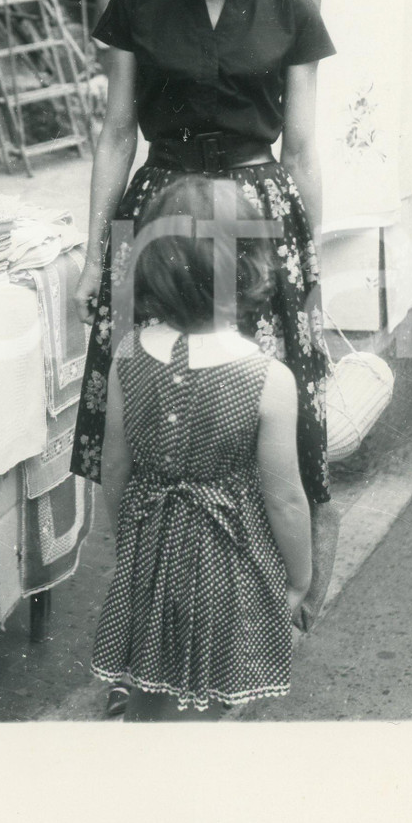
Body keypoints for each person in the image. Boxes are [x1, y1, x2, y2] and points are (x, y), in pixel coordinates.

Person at [71, 0, 334, 509]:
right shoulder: (136, 3)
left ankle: (256, 547)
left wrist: (309, 266)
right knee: (143, 382)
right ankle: (145, 539)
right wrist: (94, 254)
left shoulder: (293, 11)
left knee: (260, 385)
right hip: (157, 207)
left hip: (258, 213)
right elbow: (118, 134)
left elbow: (301, 150)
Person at [91, 175, 313, 721]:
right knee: (207, 697)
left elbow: (114, 467)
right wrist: (300, 578)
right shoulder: (268, 378)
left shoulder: (127, 355)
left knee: (149, 681)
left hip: (148, 549)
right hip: (230, 562)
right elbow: (285, 500)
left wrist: (128, 543)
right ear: (249, 267)